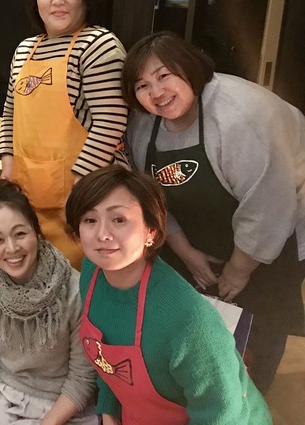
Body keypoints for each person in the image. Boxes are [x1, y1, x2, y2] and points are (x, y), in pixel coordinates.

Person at [121, 31, 305, 393]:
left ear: (189, 68)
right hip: (202, 227)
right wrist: (184, 250)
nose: (156, 92)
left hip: (280, 226)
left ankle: (247, 404)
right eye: (142, 86)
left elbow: (269, 205)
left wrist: (239, 269)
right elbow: (152, 195)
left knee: (257, 329)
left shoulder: (241, 116)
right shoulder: (143, 124)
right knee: (195, 324)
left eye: (164, 75)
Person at [66, 165, 271, 424]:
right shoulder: (91, 273)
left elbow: (222, 415)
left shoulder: (188, 320)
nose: (102, 234)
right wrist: (109, 413)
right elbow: (106, 359)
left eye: (119, 219)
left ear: (151, 231)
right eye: (90, 220)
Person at [0, 0, 128, 268]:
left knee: (78, 282)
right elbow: (10, 113)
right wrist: (7, 167)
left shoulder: (97, 45)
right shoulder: (25, 49)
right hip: (28, 191)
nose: (58, 1)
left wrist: (80, 188)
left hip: (83, 196)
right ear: (35, 0)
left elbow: (111, 122)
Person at [0, 179, 97, 425]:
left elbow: (82, 378)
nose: (11, 248)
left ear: (37, 232)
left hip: (60, 405)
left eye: (20, 234)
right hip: (3, 393)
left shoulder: (74, 288)